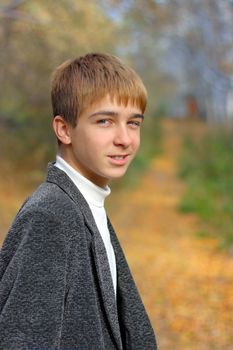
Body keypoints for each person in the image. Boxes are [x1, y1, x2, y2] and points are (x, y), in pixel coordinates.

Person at [0, 53, 157, 350]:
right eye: (105, 121)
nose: (124, 138)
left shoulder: (86, 205)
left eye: (133, 123)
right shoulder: (50, 216)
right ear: (64, 129)